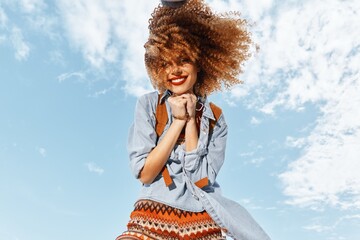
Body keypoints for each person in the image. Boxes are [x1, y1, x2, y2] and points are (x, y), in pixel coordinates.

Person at [116, 0, 271, 239]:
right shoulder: (148, 105)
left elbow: (201, 180)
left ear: (201, 62)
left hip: (202, 217)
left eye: (183, 60)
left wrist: (190, 121)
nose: (174, 70)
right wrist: (176, 121)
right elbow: (146, 174)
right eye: (165, 63)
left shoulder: (215, 118)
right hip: (152, 212)